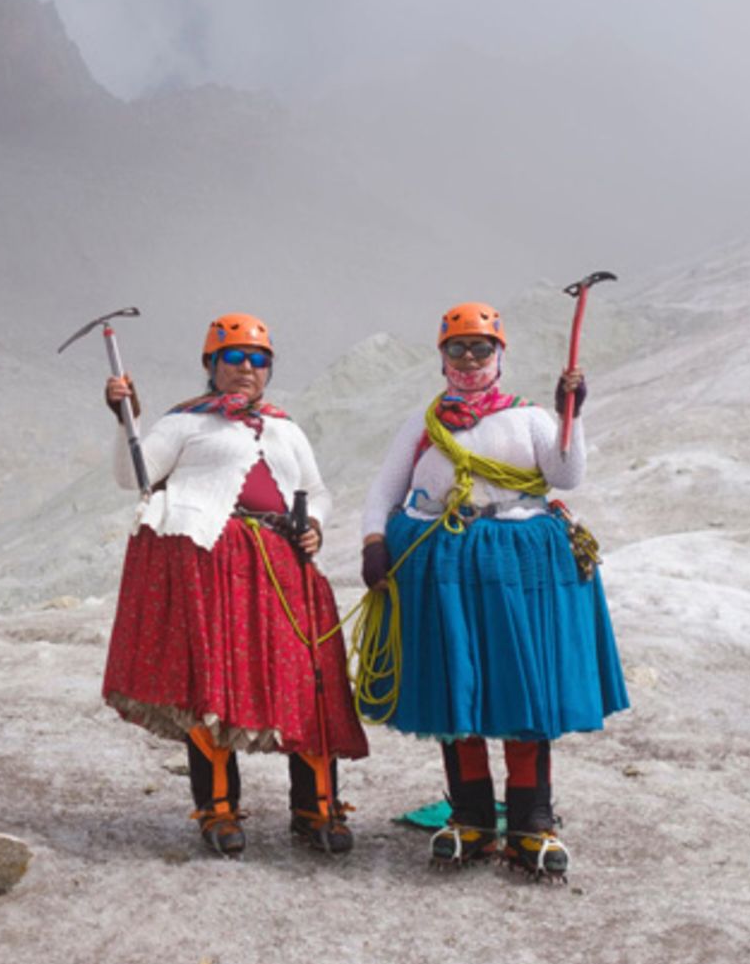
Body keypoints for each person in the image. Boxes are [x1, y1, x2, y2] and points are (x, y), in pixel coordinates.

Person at [358, 300, 628, 880]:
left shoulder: (528, 418)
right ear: (441, 357)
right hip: (444, 564)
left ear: (499, 354)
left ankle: (533, 821)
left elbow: (565, 474)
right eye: (457, 348)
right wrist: (374, 543)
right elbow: (383, 492)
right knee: (460, 691)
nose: (470, 358)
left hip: (514, 566)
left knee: (519, 689)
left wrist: (569, 415)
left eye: (481, 348)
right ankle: (472, 817)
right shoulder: (422, 424)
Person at [101, 312, 367, 857]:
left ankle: (315, 807)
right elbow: (136, 477)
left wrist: (314, 524)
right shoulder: (185, 423)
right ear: (211, 364)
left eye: (258, 360)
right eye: (234, 358)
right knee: (213, 685)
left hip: (285, 564)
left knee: (308, 681)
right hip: (208, 564)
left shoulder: (285, 428)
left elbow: (317, 491)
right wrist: (126, 418)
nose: (246, 368)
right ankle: (217, 810)